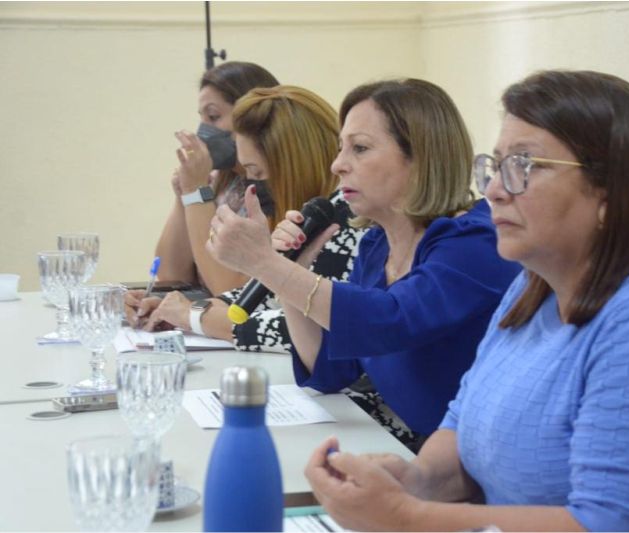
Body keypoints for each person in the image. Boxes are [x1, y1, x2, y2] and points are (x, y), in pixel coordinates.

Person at [302, 70, 629, 531]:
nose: (494, 190)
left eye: (524, 165)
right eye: (495, 166)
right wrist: (415, 481)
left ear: (609, 193)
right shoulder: (532, 285)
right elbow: (464, 423)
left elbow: (611, 525)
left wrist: (408, 516)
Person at [206, 79, 521, 450]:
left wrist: (269, 266)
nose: (338, 165)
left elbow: (390, 320)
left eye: (360, 148)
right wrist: (289, 272)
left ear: (421, 157)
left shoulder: (476, 242)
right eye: (341, 148)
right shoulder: (377, 245)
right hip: (414, 451)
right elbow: (332, 370)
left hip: (474, 459)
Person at [125, 85, 364, 354]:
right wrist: (181, 309)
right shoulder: (313, 213)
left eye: (256, 172)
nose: (250, 183)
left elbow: (319, 324)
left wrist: (196, 318)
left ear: (291, 167)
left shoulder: (350, 217)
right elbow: (261, 295)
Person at [155, 61, 280, 295]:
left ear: (254, 118)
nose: (202, 132)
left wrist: (195, 192)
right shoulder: (217, 181)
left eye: (213, 116)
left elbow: (229, 289)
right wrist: (184, 194)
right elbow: (170, 277)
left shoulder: (272, 187)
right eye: (202, 118)